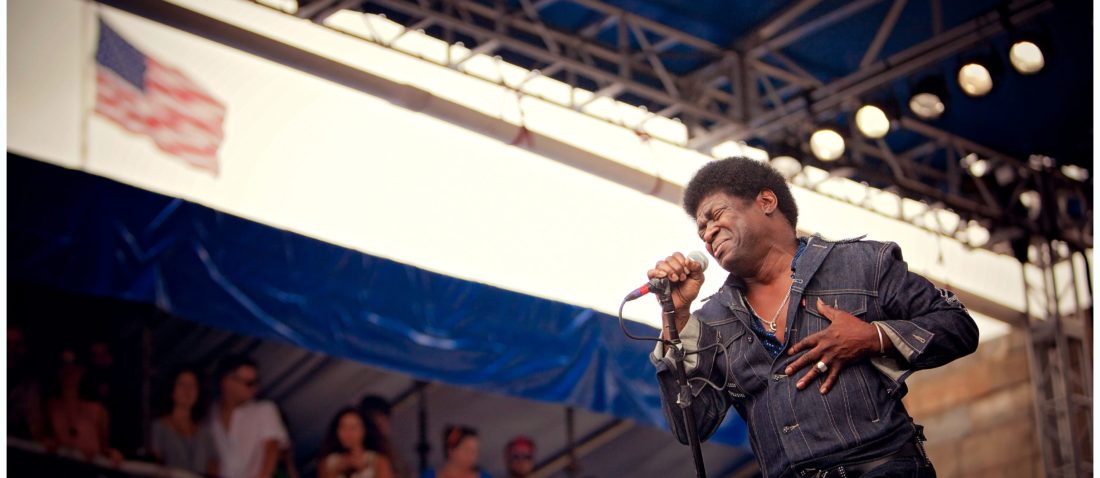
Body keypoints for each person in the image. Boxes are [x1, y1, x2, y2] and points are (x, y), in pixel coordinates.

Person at [646, 157, 979, 477]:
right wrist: (675, 320)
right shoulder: (710, 322)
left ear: (765, 201)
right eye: (701, 229)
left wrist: (872, 338)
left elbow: (957, 325)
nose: (707, 233)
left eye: (715, 215)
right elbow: (689, 426)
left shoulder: (863, 263)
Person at [209, 355, 290, 478]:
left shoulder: (264, 409)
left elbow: (272, 449)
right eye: (249, 383)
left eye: (256, 382)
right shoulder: (209, 413)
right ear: (227, 382)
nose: (255, 388)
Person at [45, 348, 124, 465]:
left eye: (74, 365)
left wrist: (112, 454)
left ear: (81, 369)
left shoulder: (97, 410)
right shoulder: (49, 407)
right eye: (64, 365)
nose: (69, 371)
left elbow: (106, 449)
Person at [149, 366, 219, 476]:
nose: (188, 390)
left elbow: (213, 466)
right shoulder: (158, 427)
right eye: (182, 385)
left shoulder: (205, 432)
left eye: (193, 385)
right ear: (171, 389)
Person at [318, 406, 395, 478]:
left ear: (364, 430)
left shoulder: (378, 461)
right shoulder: (328, 463)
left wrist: (362, 469)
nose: (348, 433)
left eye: (353, 428)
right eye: (343, 427)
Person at [358, 395, 409, 478]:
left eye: (385, 419)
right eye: (376, 421)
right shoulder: (357, 452)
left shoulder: (392, 452)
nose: (383, 424)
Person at [420, 425, 491, 478]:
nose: (472, 456)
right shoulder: (429, 476)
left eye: (475, 451)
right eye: (467, 450)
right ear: (451, 450)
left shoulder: (484, 476)